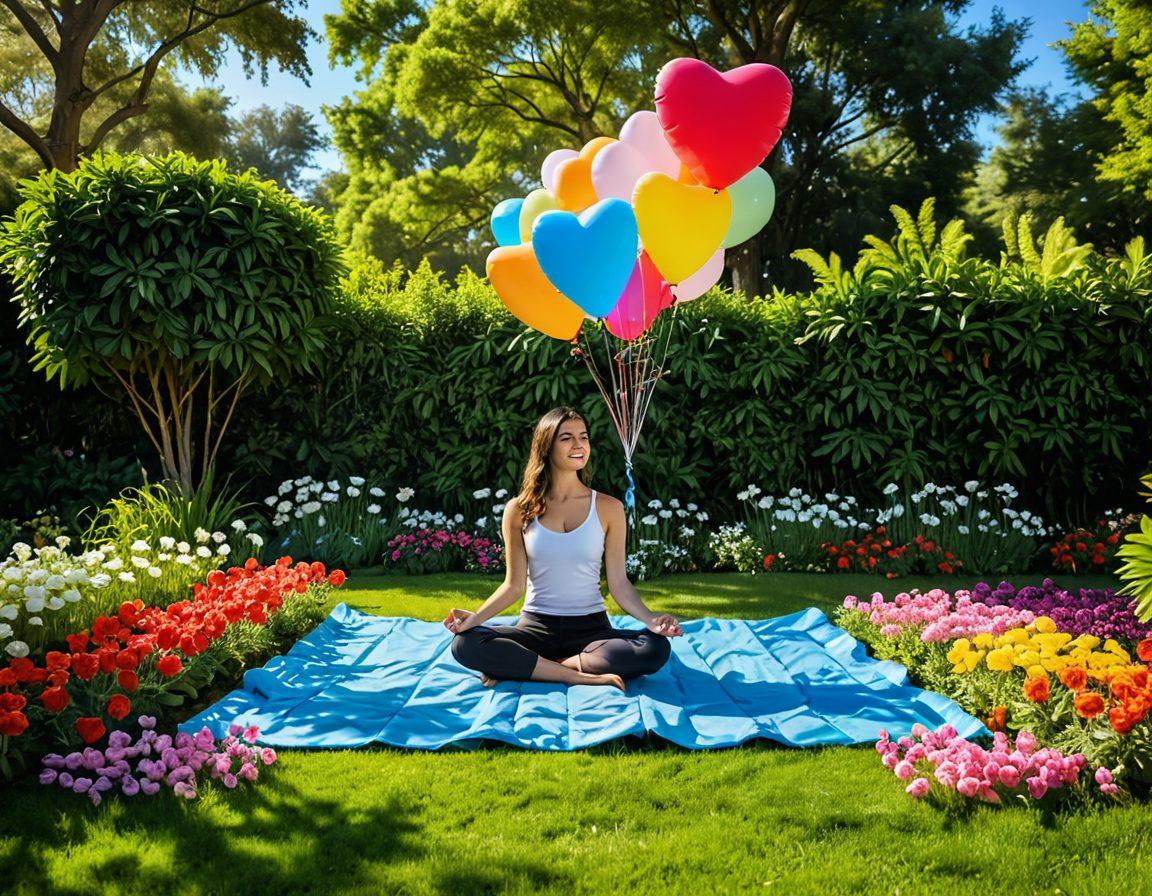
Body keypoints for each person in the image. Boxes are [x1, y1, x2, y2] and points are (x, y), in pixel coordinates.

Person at [446, 406, 682, 691]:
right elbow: (513, 586)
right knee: (464, 643)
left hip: (592, 631)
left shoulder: (609, 508)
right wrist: (475, 619)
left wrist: (651, 619)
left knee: (655, 648)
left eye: (583, 437)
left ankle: (534, 667)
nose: (579, 445)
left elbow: (619, 584)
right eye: (567, 438)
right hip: (535, 629)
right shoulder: (519, 510)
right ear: (546, 446)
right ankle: (574, 674)